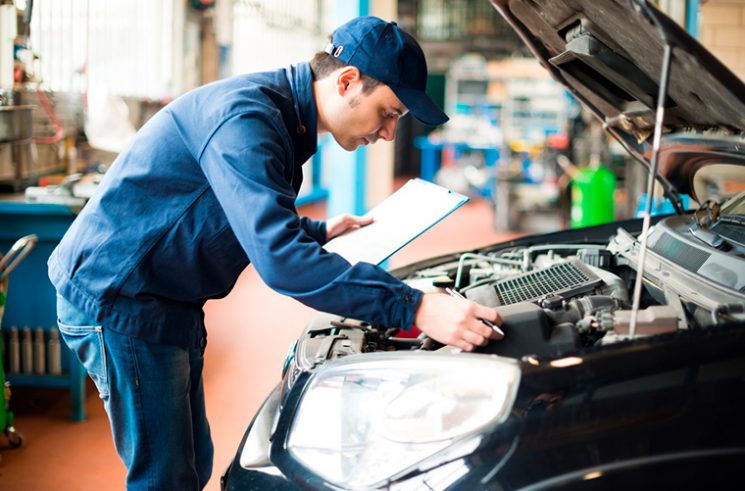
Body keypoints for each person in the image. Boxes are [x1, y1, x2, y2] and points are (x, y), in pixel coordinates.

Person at [48, 16, 503, 490]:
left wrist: (317, 229)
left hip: (165, 296)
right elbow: (280, 260)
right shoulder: (247, 119)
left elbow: (229, 207)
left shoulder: (284, 118)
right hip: (120, 299)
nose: (389, 133)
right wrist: (415, 306)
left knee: (192, 464)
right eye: (390, 113)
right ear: (347, 81)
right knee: (165, 478)